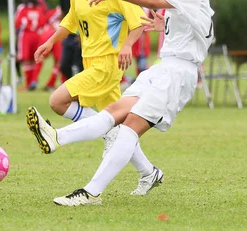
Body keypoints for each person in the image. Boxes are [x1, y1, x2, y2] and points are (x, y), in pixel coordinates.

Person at [26, 0, 214, 206]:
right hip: (163, 68)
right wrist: (167, 27)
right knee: (112, 113)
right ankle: (55, 137)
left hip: (177, 74)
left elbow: (151, 1)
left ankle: (91, 193)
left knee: (129, 128)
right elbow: (200, 33)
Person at [26, 0, 145, 155]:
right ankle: (149, 171)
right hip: (90, 62)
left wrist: (128, 44)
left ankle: (59, 137)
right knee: (118, 126)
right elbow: (71, 21)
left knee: (57, 101)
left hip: (107, 66)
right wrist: (51, 41)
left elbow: (140, 22)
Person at [15, 0, 46, 91]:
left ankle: (30, 83)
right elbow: (42, 22)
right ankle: (33, 81)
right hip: (37, 34)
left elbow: (17, 23)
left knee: (27, 60)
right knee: (35, 57)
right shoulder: (38, 8)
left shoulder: (22, 8)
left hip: (26, 35)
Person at [40, 5, 65, 92]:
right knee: (60, 61)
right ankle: (54, 83)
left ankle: (33, 81)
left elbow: (43, 22)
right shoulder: (67, 10)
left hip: (47, 34)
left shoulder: (52, 12)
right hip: (57, 35)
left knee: (41, 57)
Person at [57, 0, 83, 84]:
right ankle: (72, 86)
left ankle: (79, 89)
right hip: (69, 35)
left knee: (78, 66)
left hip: (83, 35)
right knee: (64, 65)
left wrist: (80, 34)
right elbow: (65, 14)